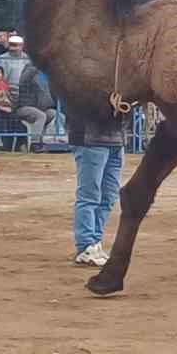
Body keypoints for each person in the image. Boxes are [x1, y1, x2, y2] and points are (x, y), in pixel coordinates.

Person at [69, 100, 126, 266]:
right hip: (91, 138)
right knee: (90, 195)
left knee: (109, 197)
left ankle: (94, 242)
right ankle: (86, 245)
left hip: (115, 139)